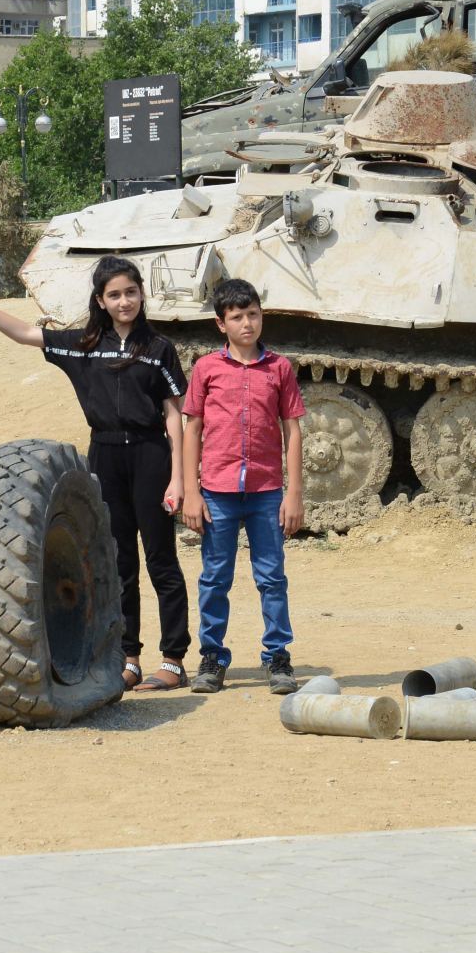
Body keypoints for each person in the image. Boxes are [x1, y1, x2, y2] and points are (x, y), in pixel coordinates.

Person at [0, 258, 192, 691]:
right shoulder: (83, 345)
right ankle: (128, 659)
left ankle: (173, 660)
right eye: (114, 294)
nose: (124, 301)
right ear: (101, 301)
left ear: (141, 294)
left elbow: (174, 415)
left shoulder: (158, 348)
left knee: (161, 559)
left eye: (131, 292)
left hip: (151, 456)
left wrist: (179, 478)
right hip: (105, 456)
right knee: (118, 563)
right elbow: (24, 333)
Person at [181, 278, 306, 695]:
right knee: (215, 578)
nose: (247, 324)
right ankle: (212, 656)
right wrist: (192, 492)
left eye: (253, 314)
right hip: (217, 491)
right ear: (221, 324)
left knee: (271, 577)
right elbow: (192, 429)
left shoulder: (279, 368)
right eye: (236, 317)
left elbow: (292, 431)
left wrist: (293, 493)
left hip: (266, 491)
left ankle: (277, 656)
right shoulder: (206, 369)